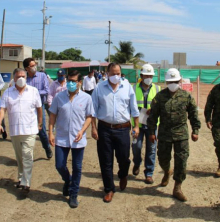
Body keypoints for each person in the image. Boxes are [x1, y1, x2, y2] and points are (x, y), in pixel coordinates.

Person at [147, 68, 200, 202]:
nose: (173, 83)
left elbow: (194, 114)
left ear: (180, 81)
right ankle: (166, 172)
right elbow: (152, 116)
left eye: (175, 81)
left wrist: (195, 130)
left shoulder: (186, 96)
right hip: (164, 135)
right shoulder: (160, 97)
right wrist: (151, 132)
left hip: (181, 135)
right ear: (166, 82)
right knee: (163, 158)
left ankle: (177, 187)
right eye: (170, 81)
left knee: (181, 161)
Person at [91, 63, 140, 203]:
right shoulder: (99, 88)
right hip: (104, 129)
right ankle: (109, 189)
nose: (115, 76)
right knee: (105, 160)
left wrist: (136, 126)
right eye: (113, 73)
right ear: (107, 73)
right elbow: (92, 110)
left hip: (123, 129)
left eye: (118, 73)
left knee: (124, 158)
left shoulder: (127, 87)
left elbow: (134, 108)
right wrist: (93, 128)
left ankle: (123, 174)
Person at [48, 70, 94, 208]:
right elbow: (52, 116)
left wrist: (82, 131)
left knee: (77, 168)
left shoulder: (86, 98)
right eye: (69, 80)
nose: (71, 83)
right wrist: (51, 133)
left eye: (74, 81)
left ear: (80, 82)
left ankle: (73, 194)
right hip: (61, 137)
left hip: (78, 138)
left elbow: (89, 117)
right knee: (60, 165)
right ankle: (68, 181)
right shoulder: (59, 97)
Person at [0, 68, 42, 196]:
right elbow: (2, 110)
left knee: (27, 155)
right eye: (18, 76)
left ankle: (26, 183)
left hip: (30, 129)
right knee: (19, 157)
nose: (21, 78)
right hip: (15, 130)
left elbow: (39, 108)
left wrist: (40, 123)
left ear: (26, 77)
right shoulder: (8, 93)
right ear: (14, 78)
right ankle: (21, 177)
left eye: (23, 76)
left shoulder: (33, 91)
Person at [131, 64, 160, 184]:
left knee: (151, 149)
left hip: (152, 125)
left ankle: (149, 173)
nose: (148, 77)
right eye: (146, 75)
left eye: (150, 75)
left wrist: (153, 109)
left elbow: (161, 105)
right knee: (136, 147)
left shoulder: (158, 89)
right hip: (137, 124)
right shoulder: (133, 88)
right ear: (141, 76)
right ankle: (137, 163)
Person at [23, 58, 52, 159]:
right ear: (27, 68)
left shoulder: (42, 76)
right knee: (26, 130)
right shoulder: (24, 78)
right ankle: (26, 154)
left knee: (41, 129)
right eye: (32, 65)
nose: (35, 66)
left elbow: (47, 90)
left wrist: (33, 92)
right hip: (26, 107)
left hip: (39, 106)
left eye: (35, 64)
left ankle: (47, 147)